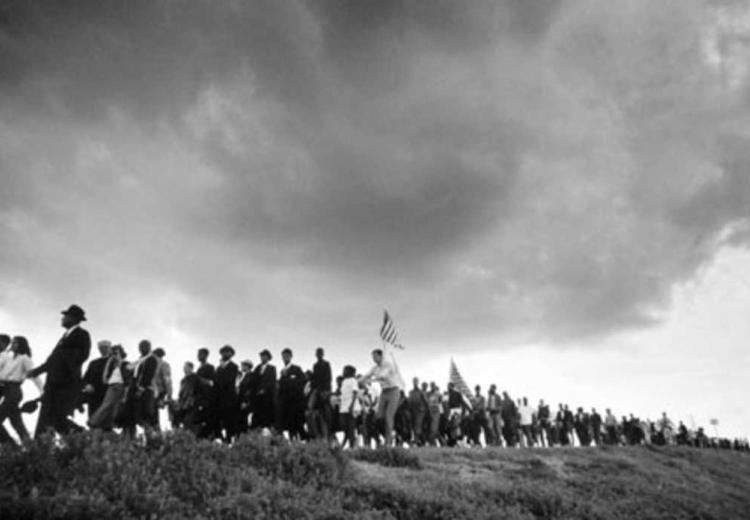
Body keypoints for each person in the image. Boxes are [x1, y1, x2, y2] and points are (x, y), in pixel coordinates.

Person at [29, 305, 91, 437]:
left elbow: (82, 356)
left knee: (58, 418)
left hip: (66, 384)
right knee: (47, 418)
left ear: (73, 319)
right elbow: (52, 360)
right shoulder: (64, 337)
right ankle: (39, 448)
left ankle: (84, 438)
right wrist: (37, 371)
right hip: (53, 383)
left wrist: (67, 366)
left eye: (66, 316)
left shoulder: (82, 335)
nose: (62, 319)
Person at [0, 336, 43, 443]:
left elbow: (34, 376)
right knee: (16, 422)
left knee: (11, 420)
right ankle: (29, 446)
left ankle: (11, 446)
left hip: (13, 391)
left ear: (21, 345)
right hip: (3, 388)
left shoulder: (24, 358)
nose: (12, 345)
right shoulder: (7, 357)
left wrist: (42, 391)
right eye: (12, 343)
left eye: (16, 343)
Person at [362, 349, 401, 447]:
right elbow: (367, 374)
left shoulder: (388, 365)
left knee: (388, 417)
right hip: (384, 393)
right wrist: (359, 380)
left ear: (380, 356)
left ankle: (388, 442)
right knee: (378, 416)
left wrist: (370, 380)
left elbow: (382, 376)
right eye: (372, 357)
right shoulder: (375, 368)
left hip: (393, 392)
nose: (373, 358)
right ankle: (386, 435)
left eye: (375, 356)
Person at [88, 344, 128, 431]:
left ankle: (109, 426)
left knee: (115, 409)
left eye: (116, 353)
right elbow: (105, 378)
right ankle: (93, 422)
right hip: (112, 386)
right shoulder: (110, 365)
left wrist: (125, 393)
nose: (114, 355)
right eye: (113, 353)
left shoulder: (125, 364)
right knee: (106, 405)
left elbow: (128, 380)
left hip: (121, 387)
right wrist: (110, 363)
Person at [129, 340, 159, 435]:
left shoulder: (151, 359)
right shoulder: (141, 360)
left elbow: (148, 375)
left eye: (144, 346)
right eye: (140, 346)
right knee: (137, 415)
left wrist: (141, 388)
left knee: (147, 415)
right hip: (137, 390)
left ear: (149, 348)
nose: (141, 349)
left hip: (147, 390)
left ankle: (152, 438)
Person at [277, 348, 307, 441]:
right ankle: (291, 441)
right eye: (283, 357)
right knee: (287, 424)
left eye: (286, 356)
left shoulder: (296, 369)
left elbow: (303, 381)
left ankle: (298, 441)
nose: (284, 358)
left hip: (295, 402)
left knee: (295, 424)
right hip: (285, 402)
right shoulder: (282, 371)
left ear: (290, 357)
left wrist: (290, 380)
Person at [213, 345, 239, 442]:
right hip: (218, 399)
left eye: (228, 352)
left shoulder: (234, 366)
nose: (226, 354)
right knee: (217, 422)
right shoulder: (218, 368)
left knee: (229, 423)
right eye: (224, 352)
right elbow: (214, 382)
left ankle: (229, 441)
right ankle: (220, 439)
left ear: (231, 354)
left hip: (229, 399)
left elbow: (229, 381)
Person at [81, 340, 112, 421]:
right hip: (93, 395)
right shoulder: (93, 363)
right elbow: (85, 379)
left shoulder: (114, 362)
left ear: (110, 348)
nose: (103, 350)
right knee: (93, 418)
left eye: (105, 348)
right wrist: (87, 385)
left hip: (107, 395)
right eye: (101, 348)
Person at [307, 347, 332, 440]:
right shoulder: (315, 365)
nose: (319, 354)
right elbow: (315, 379)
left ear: (323, 354)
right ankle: (315, 434)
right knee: (310, 409)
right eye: (317, 353)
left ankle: (327, 434)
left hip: (325, 390)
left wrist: (326, 391)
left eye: (320, 353)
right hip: (317, 390)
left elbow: (329, 378)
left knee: (326, 413)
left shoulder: (326, 364)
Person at [171, 361, 201, 435]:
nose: (184, 369)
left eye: (186, 367)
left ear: (191, 368)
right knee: (176, 418)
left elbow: (198, 391)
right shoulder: (183, 380)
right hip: (182, 402)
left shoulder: (195, 378)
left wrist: (195, 400)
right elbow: (181, 392)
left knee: (188, 421)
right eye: (184, 367)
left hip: (190, 402)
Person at [251, 349, 276, 430]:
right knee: (256, 416)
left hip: (267, 396)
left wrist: (264, 389)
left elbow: (272, 381)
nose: (262, 358)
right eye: (261, 356)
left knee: (266, 415)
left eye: (265, 356)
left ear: (268, 358)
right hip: (257, 396)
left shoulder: (272, 368)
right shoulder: (257, 368)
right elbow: (253, 380)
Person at [195, 348, 216, 438]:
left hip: (206, 398)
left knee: (206, 421)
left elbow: (212, 383)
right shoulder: (198, 369)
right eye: (198, 354)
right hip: (198, 398)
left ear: (205, 355)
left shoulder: (210, 367)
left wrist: (200, 380)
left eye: (200, 354)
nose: (198, 356)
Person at [339, 365, 360, 448]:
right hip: (343, 407)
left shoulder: (353, 380)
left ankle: (352, 445)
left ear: (349, 372)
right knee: (343, 425)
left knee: (351, 427)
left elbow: (355, 393)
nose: (343, 372)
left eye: (345, 370)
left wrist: (351, 405)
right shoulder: (344, 381)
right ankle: (352, 441)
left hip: (352, 407)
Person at [153, 348, 173, 427]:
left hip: (159, 391)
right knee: (152, 413)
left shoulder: (163, 364)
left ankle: (155, 433)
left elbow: (167, 379)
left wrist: (169, 394)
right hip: (154, 391)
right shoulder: (155, 364)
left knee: (153, 413)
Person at [407, 377, 428, 446]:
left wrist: (426, 411)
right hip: (412, 411)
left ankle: (416, 441)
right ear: (412, 382)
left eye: (416, 381)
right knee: (412, 426)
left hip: (420, 411)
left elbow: (426, 402)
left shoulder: (421, 392)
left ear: (418, 382)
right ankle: (418, 440)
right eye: (414, 381)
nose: (415, 382)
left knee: (417, 425)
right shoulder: (410, 392)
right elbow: (409, 402)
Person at [237, 360, 255, 434]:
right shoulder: (242, 376)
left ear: (247, 366)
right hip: (240, 402)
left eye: (243, 365)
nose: (242, 367)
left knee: (244, 421)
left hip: (245, 402)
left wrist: (246, 401)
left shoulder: (251, 376)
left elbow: (250, 390)